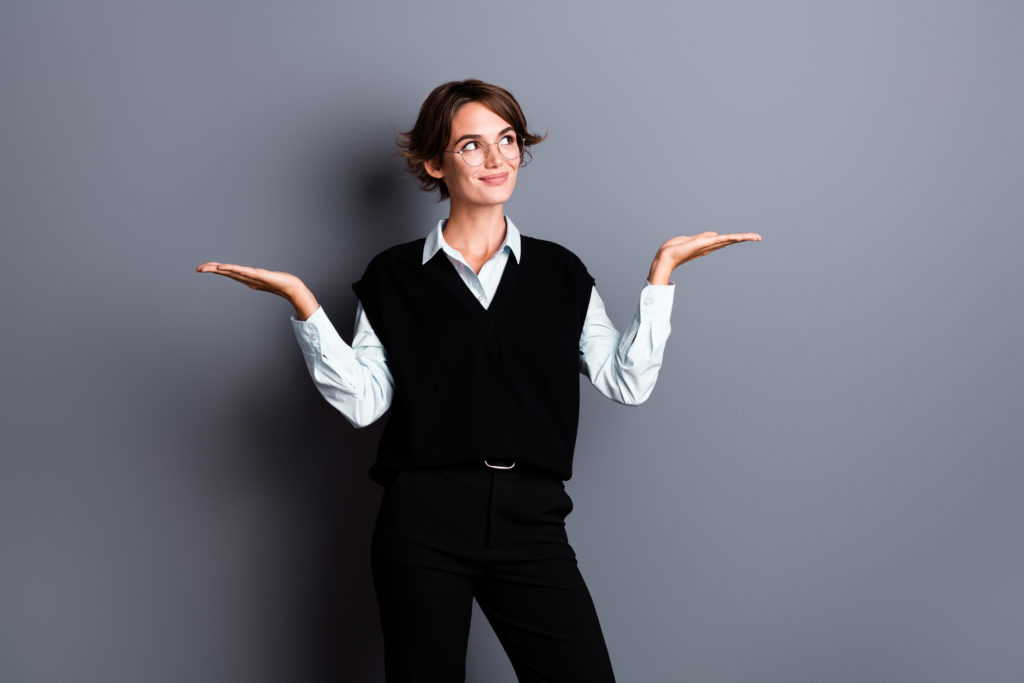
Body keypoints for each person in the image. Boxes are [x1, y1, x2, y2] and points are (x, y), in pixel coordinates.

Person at [198, 79, 760, 683]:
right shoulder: (392, 277)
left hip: (531, 520)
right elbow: (364, 404)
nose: (496, 159)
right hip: (422, 521)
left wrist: (661, 278)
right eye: (472, 145)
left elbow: (625, 382)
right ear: (435, 162)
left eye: (507, 139)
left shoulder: (559, 272)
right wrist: (304, 304)